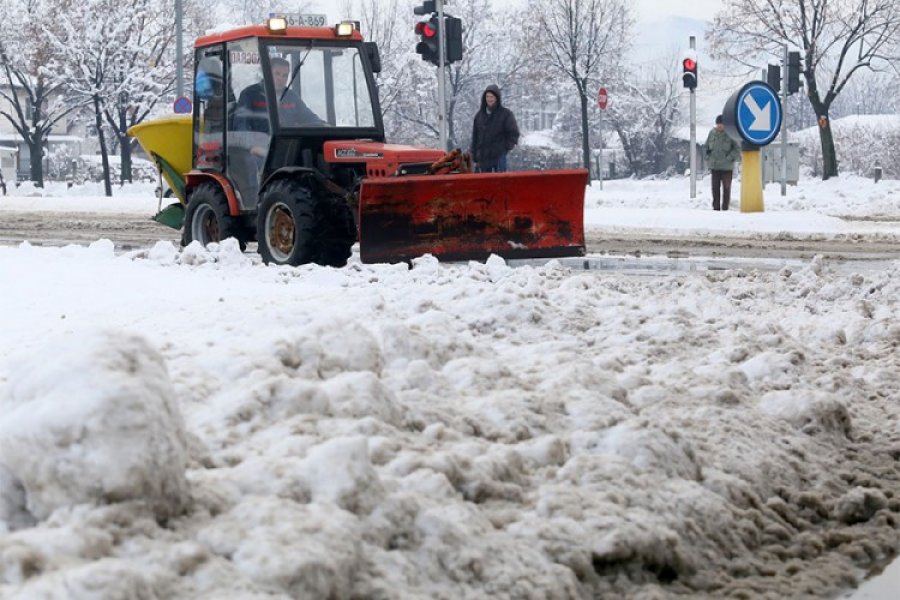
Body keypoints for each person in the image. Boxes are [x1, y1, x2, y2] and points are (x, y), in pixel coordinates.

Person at [470, 84, 520, 173]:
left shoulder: (505, 114)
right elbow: (475, 136)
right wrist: (474, 154)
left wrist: (504, 148)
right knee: (484, 185)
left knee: (500, 184)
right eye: (487, 96)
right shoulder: (479, 116)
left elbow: (513, 133)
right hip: (483, 159)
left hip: (498, 158)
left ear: (497, 98)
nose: (489, 99)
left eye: (492, 96)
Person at [705, 114, 741, 211]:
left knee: (726, 188)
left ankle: (725, 208)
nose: (720, 126)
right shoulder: (712, 133)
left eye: (721, 124)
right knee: (715, 188)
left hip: (726, 168)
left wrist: (729, 158)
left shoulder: (730, 134)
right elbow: (706, 146)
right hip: (715, 166)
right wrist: (708, 156)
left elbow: (737, 149)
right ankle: (715, 208)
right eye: (718, 124)